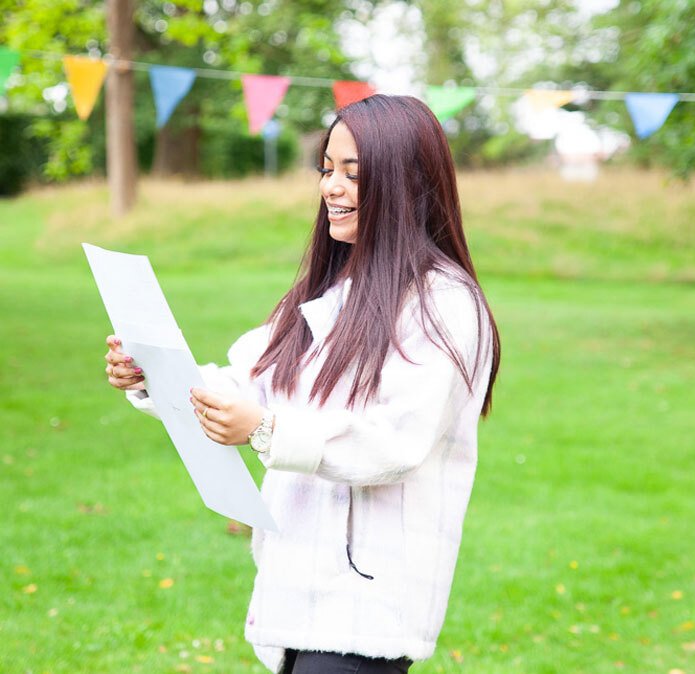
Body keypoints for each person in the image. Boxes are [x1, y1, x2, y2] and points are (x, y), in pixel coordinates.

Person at [104, 94, 501, 674]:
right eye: (327, 169)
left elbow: (394, 443)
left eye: (353, 174)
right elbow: (247, 384)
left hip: (370, 600)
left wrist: (264, 429)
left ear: (408, 185)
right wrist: (151, 372)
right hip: (295, 586)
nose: (331, 188)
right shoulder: (324, 295)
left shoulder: (445, 305)